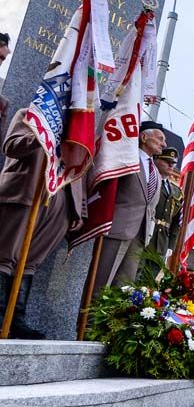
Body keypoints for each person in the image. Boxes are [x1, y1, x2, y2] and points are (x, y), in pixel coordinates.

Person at [0, 106, 86, 338]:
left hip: (61, 201)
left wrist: (80, 210)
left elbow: (79, 169)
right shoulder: (29, 114)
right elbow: (11, 146)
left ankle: (16, 318)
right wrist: (44, 136)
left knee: (30, 261)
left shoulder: (79, 128)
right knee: (6, 255)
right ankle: (1, 316)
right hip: (27, 192)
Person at [92, 121, 164, 296]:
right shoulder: (127, 159)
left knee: (123, 290)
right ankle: (86, 322)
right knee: (101, 285)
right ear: (144, 137)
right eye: (160, 138)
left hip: (139, 238)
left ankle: (107, 323)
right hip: (116, 231)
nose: (164, 144)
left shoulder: (156, 172)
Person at [140, 147, 182, 279]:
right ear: (156, 159)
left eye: (173, 163)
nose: (171, 165)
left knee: (149, 282)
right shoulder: (148, 180)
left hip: (161, 243)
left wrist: (171, 245)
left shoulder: (176, 191)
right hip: (144, 236)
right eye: (167, 161)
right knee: (133, 277)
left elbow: (176, 222)